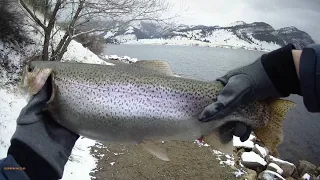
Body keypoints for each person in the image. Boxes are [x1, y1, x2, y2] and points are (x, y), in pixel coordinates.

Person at [0, 43, 319, 179]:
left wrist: (21, 170)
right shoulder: (55, 80)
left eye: (31, 70)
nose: (28, 75)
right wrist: (26, 166)